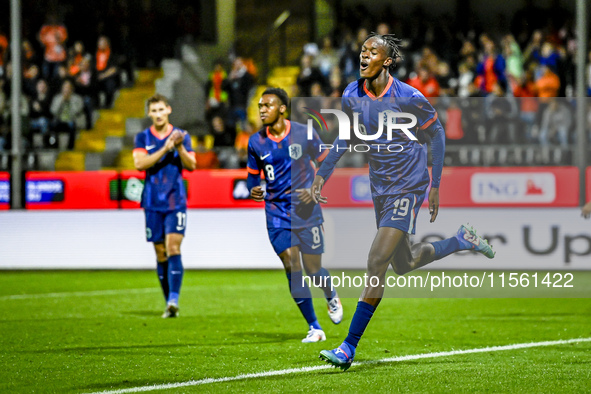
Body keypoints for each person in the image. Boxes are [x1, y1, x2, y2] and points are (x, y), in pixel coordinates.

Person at [312, 33, 495, 370]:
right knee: (404, 263)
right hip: (380, 186)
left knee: (376, 260)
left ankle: (348, 347)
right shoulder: (353, 94)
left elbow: (436, 134)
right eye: (362, 51)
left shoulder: (409, 97)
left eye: (372, 51)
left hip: (408, 186)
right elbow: (346, 134)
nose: (364, 56)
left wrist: (435, 186)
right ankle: (460, 240)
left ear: (387, 60)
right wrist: (325, 170)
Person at [247, 87, 343, 343]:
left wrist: (315, 189)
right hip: (276, 211)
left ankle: (330, 293)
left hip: (306, 209)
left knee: (313, 269)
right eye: (260, 106)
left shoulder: (305, 133)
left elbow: (326, 161)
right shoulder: (256, 141)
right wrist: (252, 188)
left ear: (281, 109)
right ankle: (314, 327)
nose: (262, 110)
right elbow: (251, 175)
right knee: (291, 264)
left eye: (267, 105)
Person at [132, 94, 196, 318]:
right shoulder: (142, 137)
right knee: (160, 253)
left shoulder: (182, 136)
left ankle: (174, 300)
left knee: (173, 248)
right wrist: (165, 149)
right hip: (151, 201)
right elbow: (140, 163)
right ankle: (170, 304)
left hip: (175, 201)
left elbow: (193, 165)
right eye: (154, 111)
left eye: (161, 109)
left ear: (168, 110)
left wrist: (178, 148)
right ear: (149, 114)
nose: (158, 114)